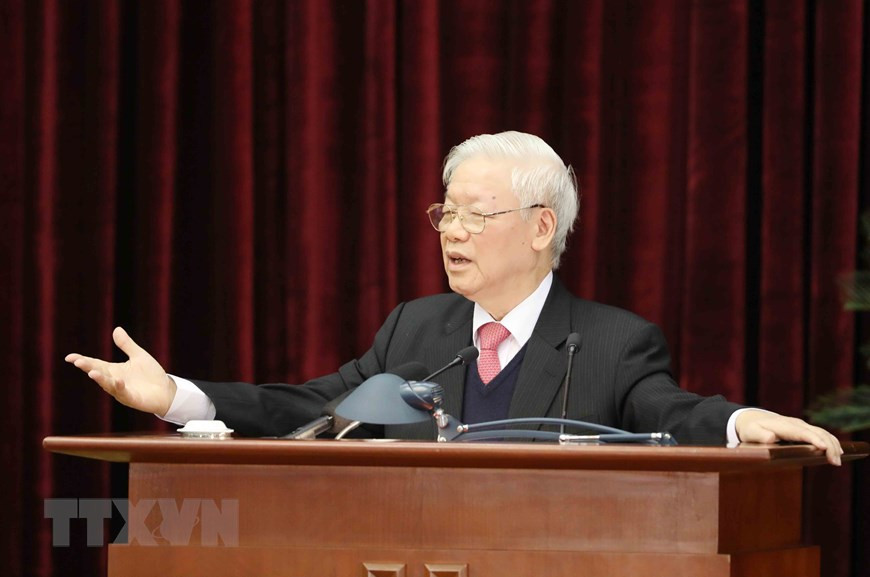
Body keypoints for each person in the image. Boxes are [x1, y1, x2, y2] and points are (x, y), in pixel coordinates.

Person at [65, 131, 844, 464]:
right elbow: (311, 407)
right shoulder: (418, 326)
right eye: (448, 211)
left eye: (478, 214)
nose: (452, 231)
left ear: (543, 227)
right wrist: (176, 395)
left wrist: (743, 421)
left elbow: (668, 413)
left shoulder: (611, 341)